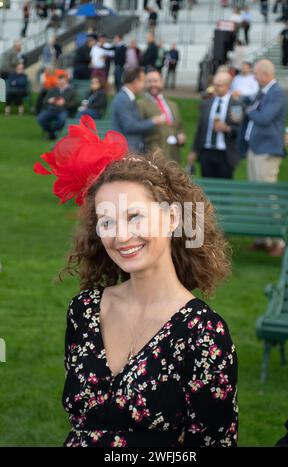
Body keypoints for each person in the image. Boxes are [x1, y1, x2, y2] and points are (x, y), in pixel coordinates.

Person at [33, 115, 238, 448]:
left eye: (134, 216)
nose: (121, 236)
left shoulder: (203, 332)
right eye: (107, 221)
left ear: (172, 218)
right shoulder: (84, 311)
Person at [242, 59, 288, 256]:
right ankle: (263, 238)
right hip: (255, 149)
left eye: (256, 73)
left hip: (267, 151)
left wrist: (250, 110)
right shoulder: (263, 93)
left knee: (268, 196)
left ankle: (280, 241)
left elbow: (264, 118)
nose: (254, 76)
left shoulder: (277, 93)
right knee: (257, 195)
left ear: (265, 73)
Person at [187, 71, 243, 179]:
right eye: (214, 84)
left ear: (228, 86)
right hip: (206, 152)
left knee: (224, 188)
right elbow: (200, 129)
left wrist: (227, 128)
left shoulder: (236, 105)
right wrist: (194, 151)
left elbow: (239, 129)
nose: (215, 88)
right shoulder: (206, 104)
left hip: (225, 154)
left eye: (219, 85)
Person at [111, 66, 166, 152]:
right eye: (143, 81)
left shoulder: (127, 97)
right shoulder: (123, 99)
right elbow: (130, 126)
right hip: (126, 150)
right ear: (136, 81)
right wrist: (153, 121)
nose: (144, 85)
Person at [137, 67, 186, 163]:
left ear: (162, 82)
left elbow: (180, 125)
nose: (153, 84)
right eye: (149, 81)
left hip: (173, 154)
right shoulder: (140, 104)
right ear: (145, 84)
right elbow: (137, 127)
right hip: (153, 154)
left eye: (155, 81)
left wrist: (181, 135)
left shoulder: (173, 105)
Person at [37, 74, 77, 140]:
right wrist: (50, 100)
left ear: (66, 82)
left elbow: (74, 103)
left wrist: (65, 103)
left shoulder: (71, 91)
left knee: (61, 120)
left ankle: (53, 134)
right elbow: (44, 101)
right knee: (40, 119)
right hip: (51, 109)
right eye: (60, 82)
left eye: (63, 83)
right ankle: (51, 133)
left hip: (63, 110)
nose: (61, 84)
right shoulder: (53, 90)